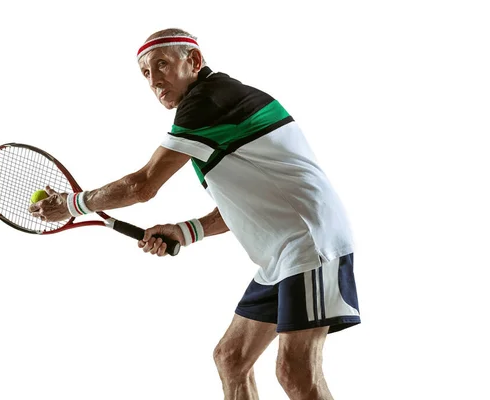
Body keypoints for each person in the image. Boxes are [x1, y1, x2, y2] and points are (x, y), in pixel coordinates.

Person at [29, 28, 360, 400]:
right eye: (145, 73)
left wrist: (73, 204)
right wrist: (186, 232)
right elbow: (248, 204)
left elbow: (143, 185)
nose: (154, 80)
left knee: (295, 372)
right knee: (231, 358)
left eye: (162, 65)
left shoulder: (209, 101)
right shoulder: (215, 107)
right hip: (285, 250)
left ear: (194, 62)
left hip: (311, 243)